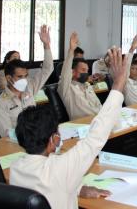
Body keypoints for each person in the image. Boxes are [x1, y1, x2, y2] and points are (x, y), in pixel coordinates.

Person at [10, 46, 129, 209]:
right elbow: (96, 137)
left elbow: (52, 183)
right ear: (53, 140)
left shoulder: (15, 168)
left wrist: (79, 188)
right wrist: (118, 82)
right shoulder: (62, 167)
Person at [0, 25, 53, 137]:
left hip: (39, 139)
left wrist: (46, 45)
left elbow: (47, 69)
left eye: (26, 76)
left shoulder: (29, 89)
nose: (24, 80)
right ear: (9, 78)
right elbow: (8, 136)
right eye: (20, 77)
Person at [58, 32, 102, 120]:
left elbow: (99, 105)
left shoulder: (87, 86)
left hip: (99, 121)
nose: (86, 73)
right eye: (83, 70)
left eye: (87, 70)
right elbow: (65, 74)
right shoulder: (67, 88)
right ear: (73, 72)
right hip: (82, 126)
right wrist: (71, 50)